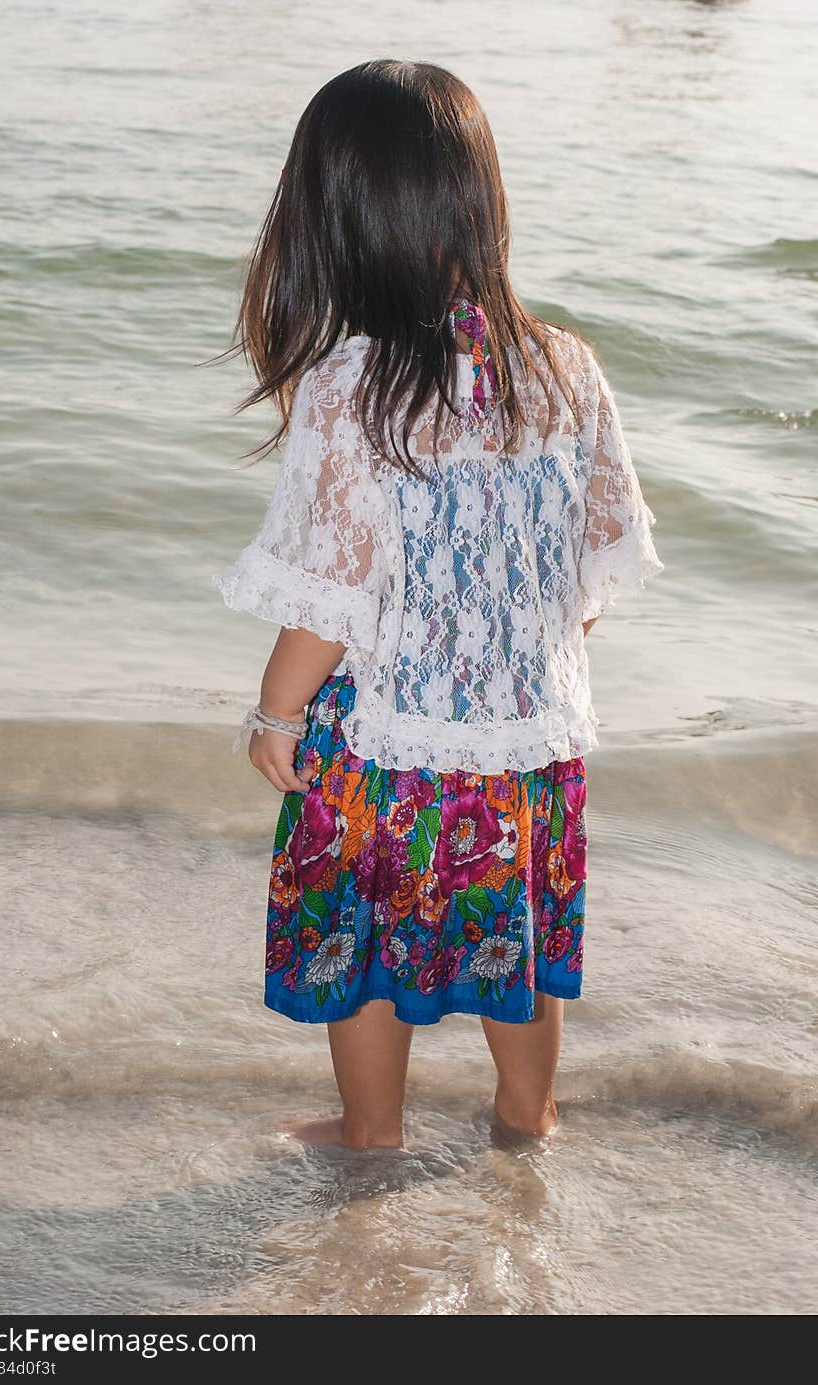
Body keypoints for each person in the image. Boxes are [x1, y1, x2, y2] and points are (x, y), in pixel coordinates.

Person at [213, 59, 662, 1151]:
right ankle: (528, 1114)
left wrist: (275, 716)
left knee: (363, 946)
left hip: (384, 747)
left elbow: (331, 590)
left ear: (334, 217)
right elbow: (589, 573)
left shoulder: (349, 385)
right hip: (526, 743)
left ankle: (371, 1130)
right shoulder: (565, 366)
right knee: (517, 942)